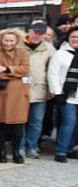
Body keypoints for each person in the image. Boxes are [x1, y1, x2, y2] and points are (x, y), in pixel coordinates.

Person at [0, 29, 30, 164]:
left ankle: (16, 151)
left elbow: (25, 69)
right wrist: (15, 73)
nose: (8, 43)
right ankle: (1, 152)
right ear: (1, 40)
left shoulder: (23, 53)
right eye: (6, 40)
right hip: (0, 94)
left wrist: (6, 69)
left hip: (18, 95)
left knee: (18, 127)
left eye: (11, 40)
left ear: (16, 41)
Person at [21, 21, 56, 159]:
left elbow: (52, 70)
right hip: (20, 89)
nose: (37, 35)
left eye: (41, 33)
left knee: (36, 121)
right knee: (20, 120)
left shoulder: (49, 48)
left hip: (40, 89)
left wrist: (50, 89)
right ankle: (20, 146)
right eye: (35, 32)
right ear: (29, 31)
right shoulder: (18, 45)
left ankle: (32, 146)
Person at [47, 25, 78, 162]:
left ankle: (69, 148)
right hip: (66, 95)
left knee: (76, 125)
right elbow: (53, 74)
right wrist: (57, 93)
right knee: (69, 123)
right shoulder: (61, 54)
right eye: (73, 37)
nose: (76, 39)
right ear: (68, 38)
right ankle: (61, 151)